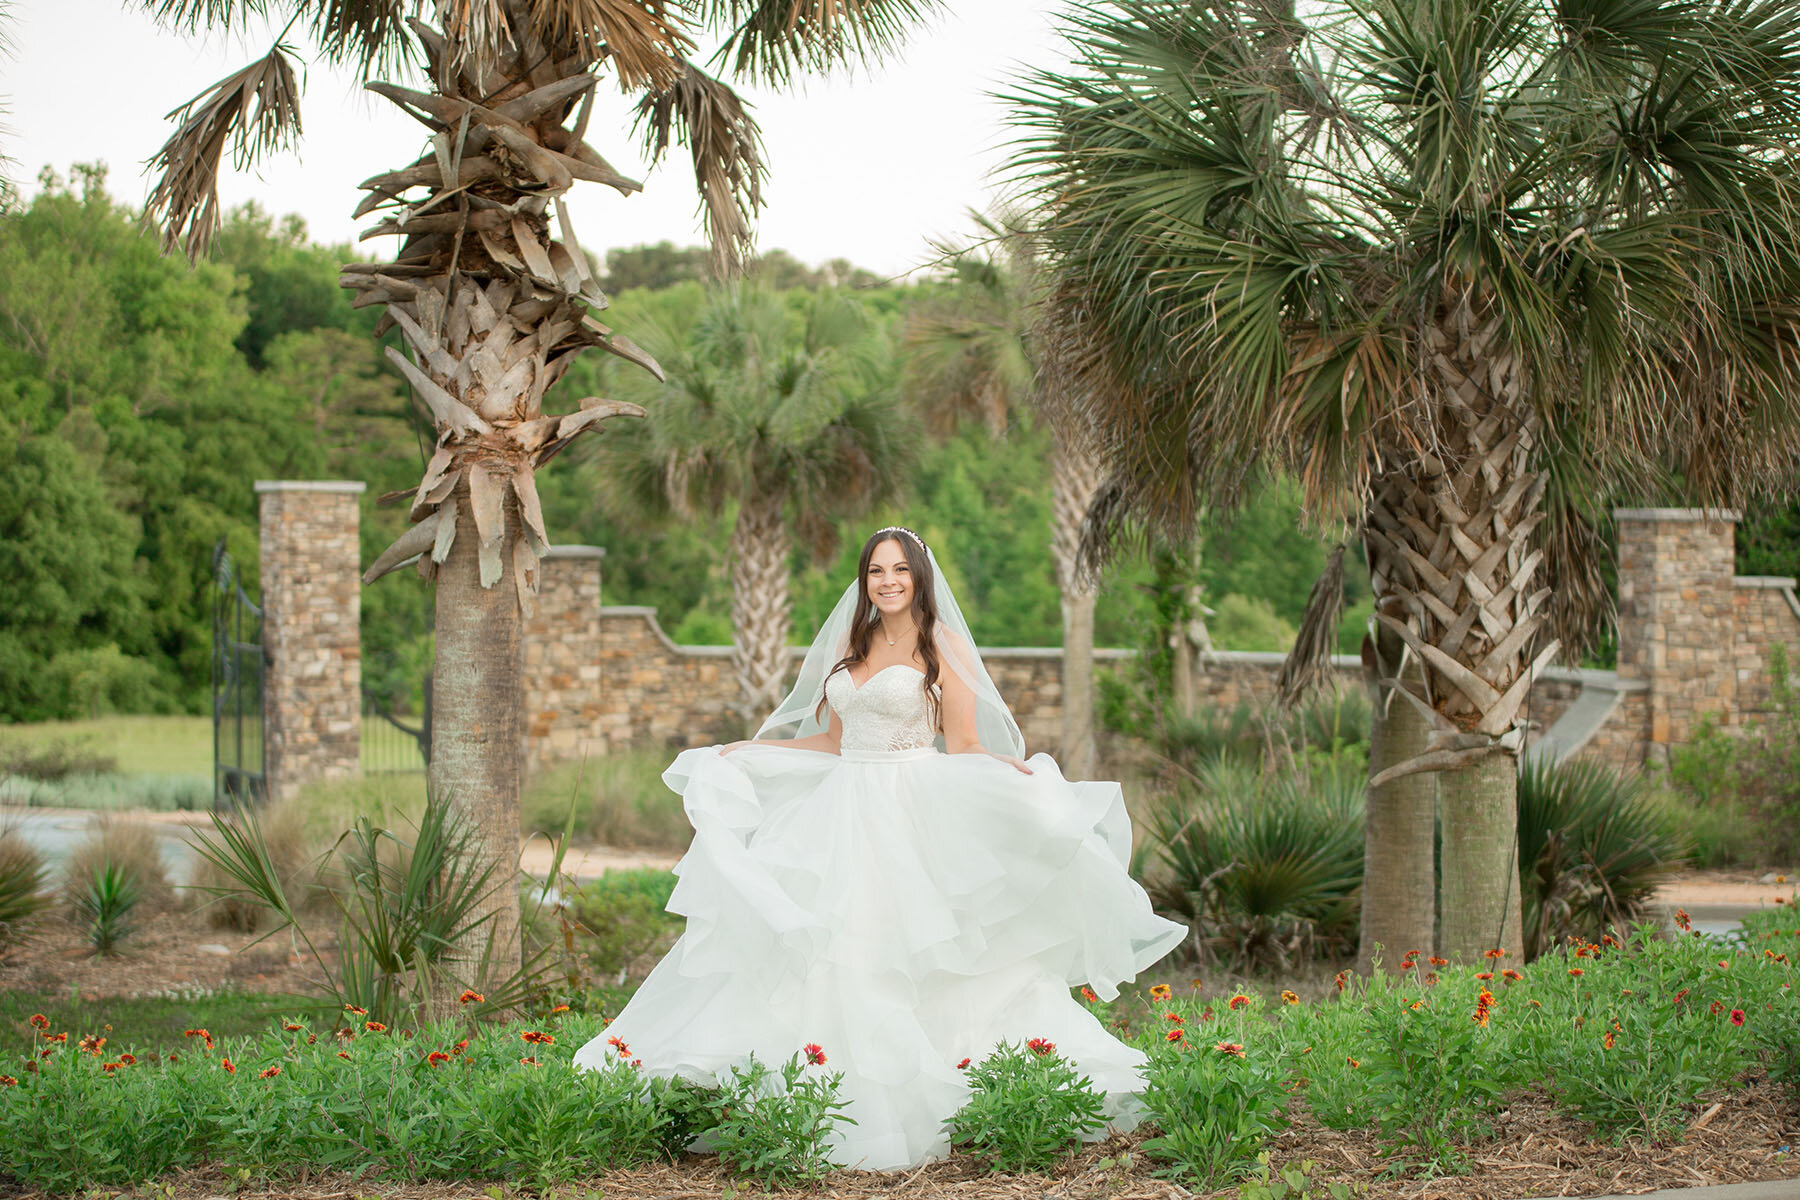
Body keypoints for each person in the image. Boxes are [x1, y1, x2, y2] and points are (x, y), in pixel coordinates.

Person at [572, 526, 1186, 1170]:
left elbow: (967, 744)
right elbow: (833, 742)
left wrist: (1016, 778)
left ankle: (921, 1094)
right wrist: (752, 750)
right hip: (840, 807)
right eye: (874, 571)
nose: (886, 581)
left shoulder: (940, 643)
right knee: (828, 947)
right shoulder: (853, 642)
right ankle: (817, 1095)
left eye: (899, 570)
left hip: (909, 808)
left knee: (900, 947)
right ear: (863, 581)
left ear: (919, 577)